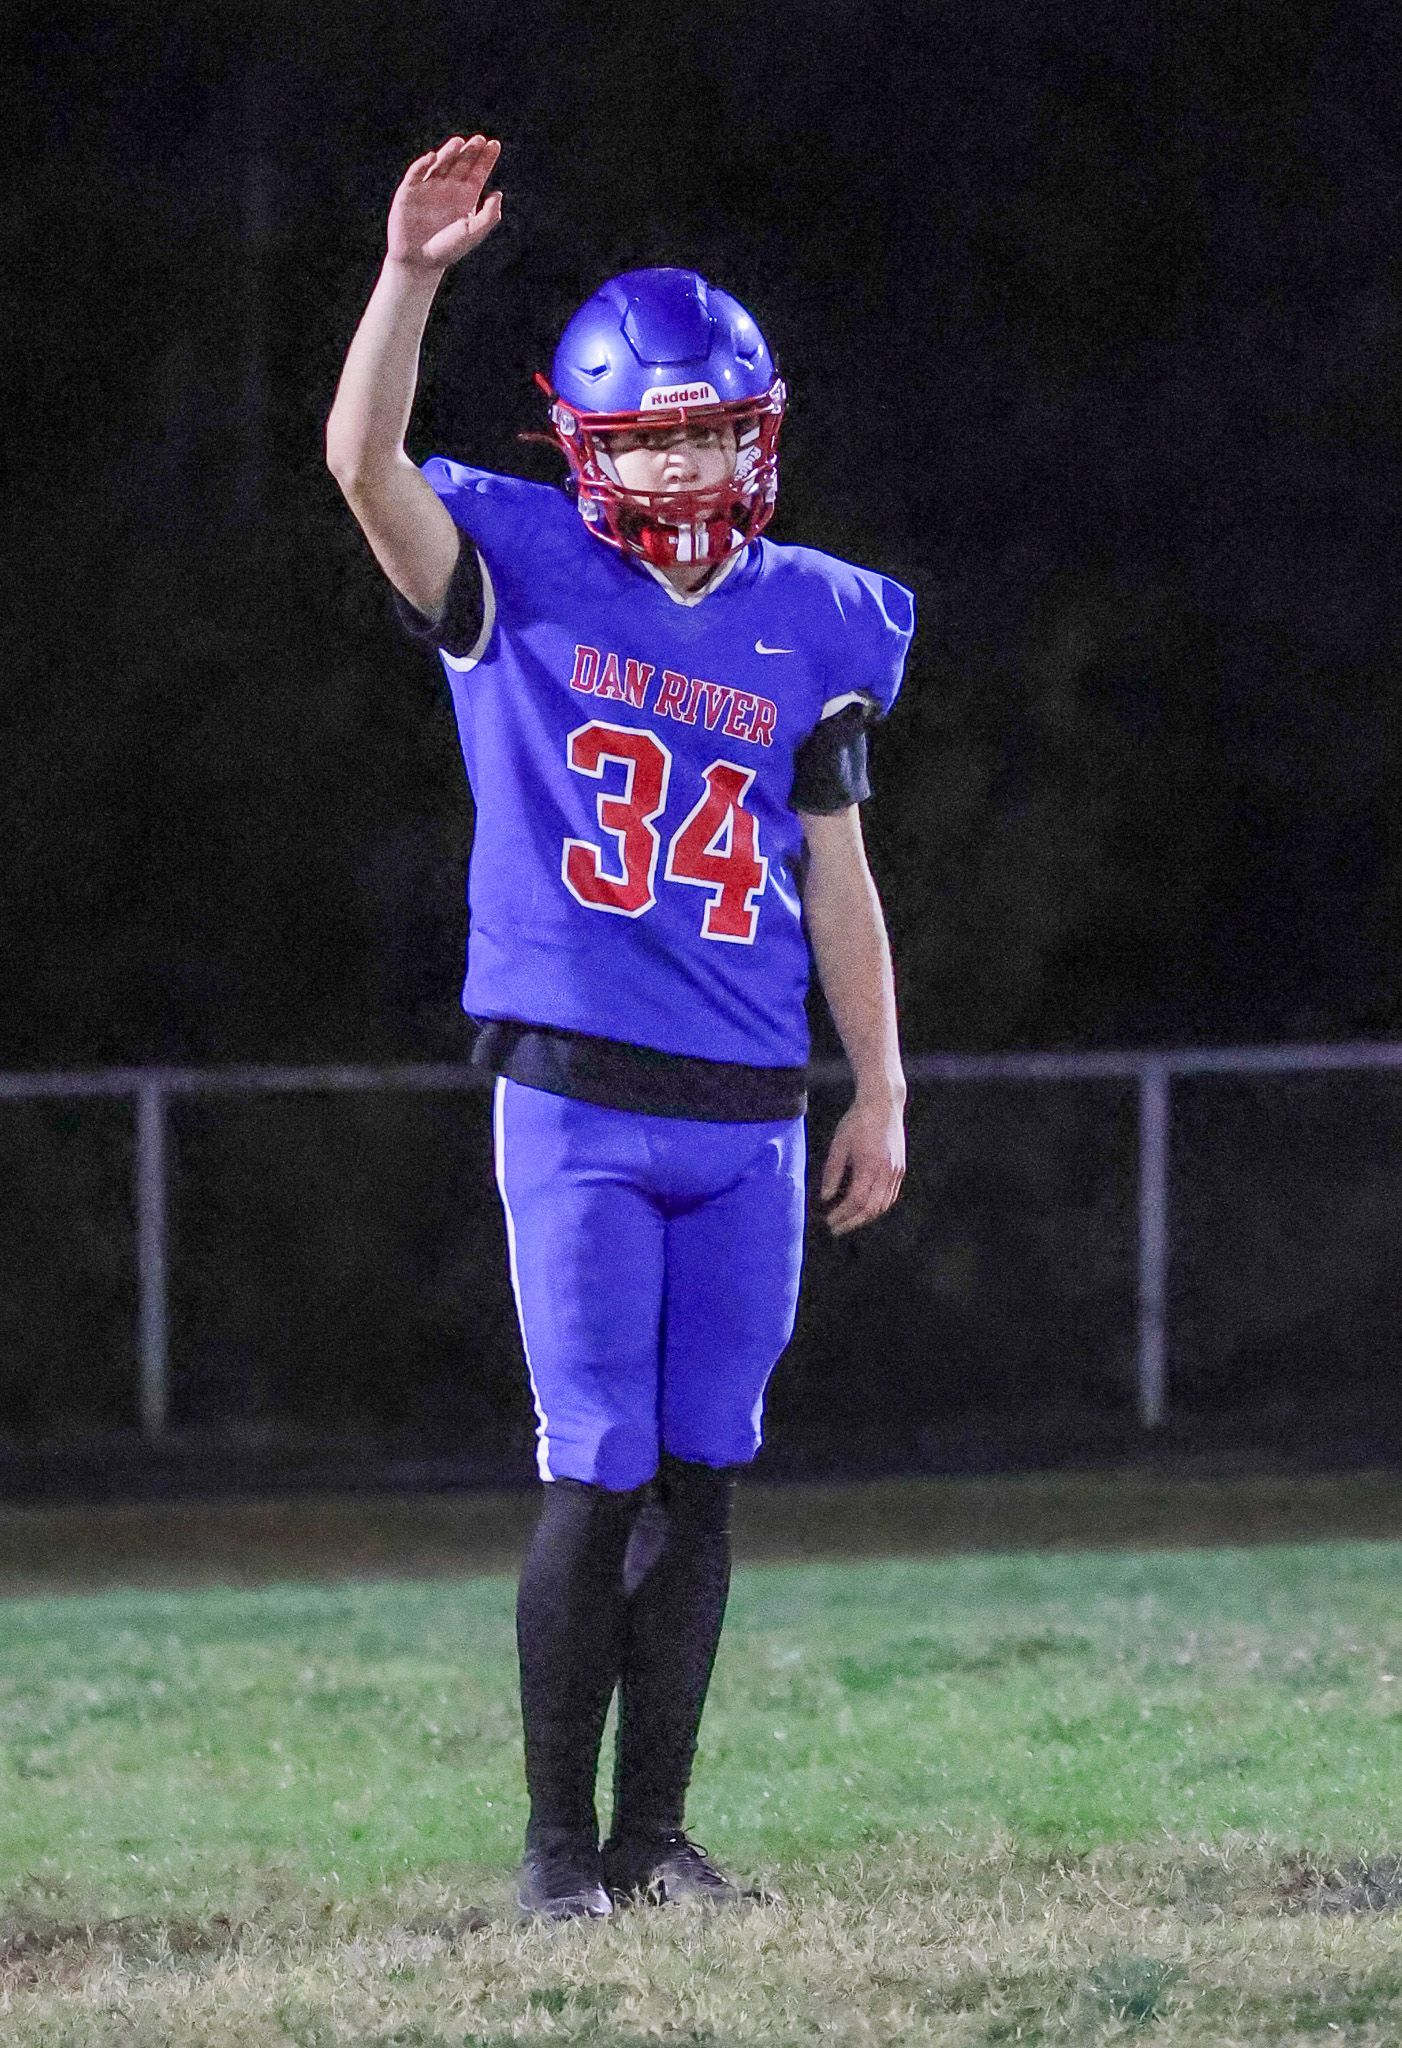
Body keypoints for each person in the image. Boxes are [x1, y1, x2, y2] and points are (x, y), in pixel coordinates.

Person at [326, 133, 915, 1922]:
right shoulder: (513, 567)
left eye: (712, 432)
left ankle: (654, 1841)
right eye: (653, 437)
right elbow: (360, 462)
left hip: (749, 1107)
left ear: (760, 433)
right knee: (594, 1470)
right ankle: (553, 1856)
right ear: (584, 446)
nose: (684, 465)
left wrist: (880, 1087)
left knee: (704, 1475)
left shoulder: (817, 619)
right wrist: (408, 280)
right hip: (577, 1096)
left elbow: (836, 877)